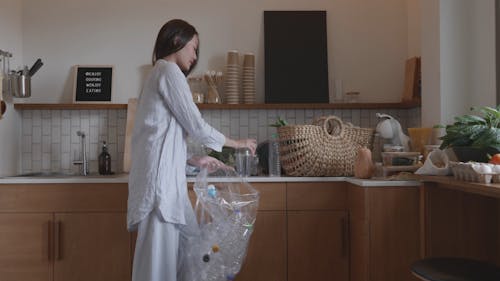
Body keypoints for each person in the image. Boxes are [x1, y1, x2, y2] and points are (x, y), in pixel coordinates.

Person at [127, 19, 257, 281]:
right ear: (177, 41)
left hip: (167, 188)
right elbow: (195, 124)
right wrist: (237, 143)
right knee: (158, 269)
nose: (195, 56)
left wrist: (194, 160)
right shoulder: (168, 71)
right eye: (194, 48)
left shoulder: (160, 75)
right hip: (160, 193)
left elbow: (161, 139)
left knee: (193, 251)